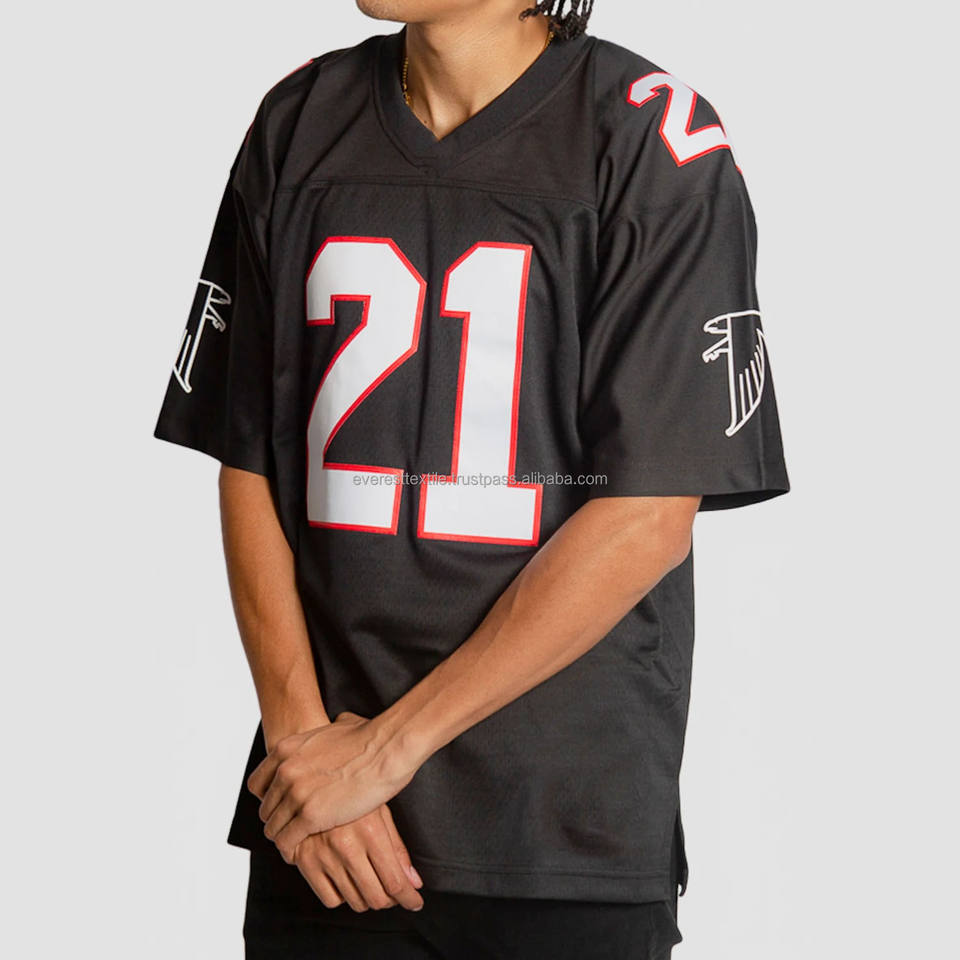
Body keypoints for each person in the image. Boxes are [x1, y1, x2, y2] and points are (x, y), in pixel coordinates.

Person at [154, 0, 790, 956]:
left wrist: (384, 752)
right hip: (324, 837)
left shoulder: (646, 137)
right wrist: (302, 745)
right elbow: (248, 456)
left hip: (554, 835)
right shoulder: (301, 117)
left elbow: (649, 513)